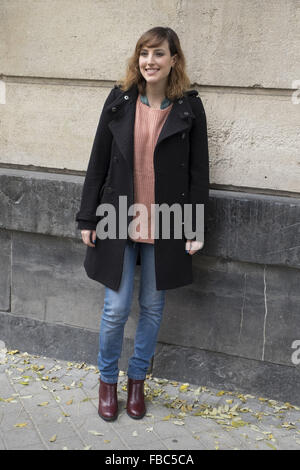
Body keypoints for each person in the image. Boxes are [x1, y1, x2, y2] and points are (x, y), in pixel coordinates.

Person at [75, 26, 209, 421]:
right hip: (118, 218)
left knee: (152, 306)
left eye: (159, 54)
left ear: (173, 60)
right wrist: (87, 217)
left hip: (167, 222)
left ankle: (137, 383)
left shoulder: (189, 107)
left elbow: (199, 174)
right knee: (115, 309)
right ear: (138, 60)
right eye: (144, 53)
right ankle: (107, 383)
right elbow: (97, 160)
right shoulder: (118, 101)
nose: (150, 61)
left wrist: (196, 227)